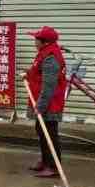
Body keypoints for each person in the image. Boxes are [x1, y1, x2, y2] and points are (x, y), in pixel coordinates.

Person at [25, 26, 68, 178]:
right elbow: (38, 72)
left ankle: (53, 167)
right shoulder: (44, 53)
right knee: (42, 132)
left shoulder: (51, 57)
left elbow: (49, 85)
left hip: (50, 103)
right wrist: (27, 74)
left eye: (36, 39)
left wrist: (41, 106)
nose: (34, 41)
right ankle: (45, 161)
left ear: (44, 42)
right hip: (43, 101)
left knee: (50, 134)